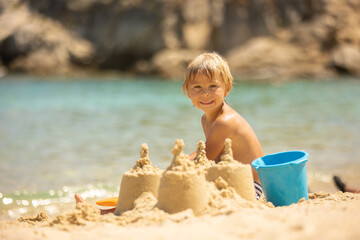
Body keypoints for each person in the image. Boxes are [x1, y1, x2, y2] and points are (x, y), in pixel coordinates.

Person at [183, 52, 264, 199]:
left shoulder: (225, 121)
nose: (205, 93)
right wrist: (182, 160)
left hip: (251, 187)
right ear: (187, 91)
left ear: (227, 88)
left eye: (213, 86)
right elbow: (206, 151)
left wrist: (176, 167)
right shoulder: (205, 119)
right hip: (232, 179)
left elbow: (204, 159)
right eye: (197, 87)